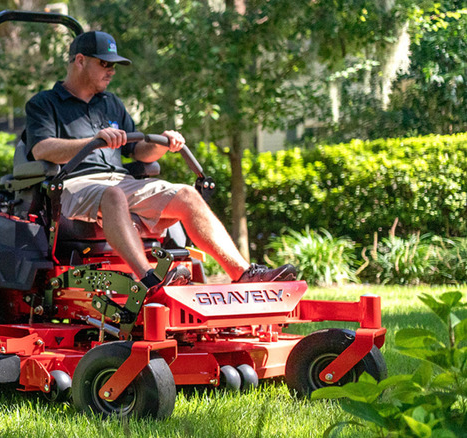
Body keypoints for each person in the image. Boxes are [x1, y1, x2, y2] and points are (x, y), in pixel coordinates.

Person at [24, 30, 296, 287]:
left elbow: (138, 152)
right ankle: (149, 280)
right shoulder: (44, 103)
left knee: (187, 194)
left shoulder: (111, 103)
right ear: (80, 61)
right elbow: (42, 149)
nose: (112, 70)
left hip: (120, 181)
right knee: (113, 195)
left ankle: (244, 273)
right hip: (73, 185)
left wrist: (164, 144)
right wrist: (94, 142)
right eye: (104, 63)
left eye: (114, 65)